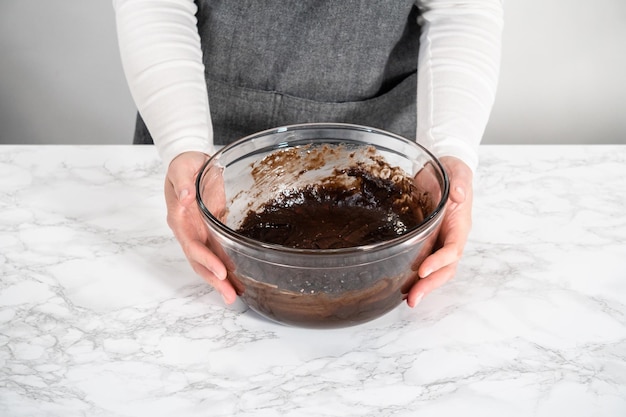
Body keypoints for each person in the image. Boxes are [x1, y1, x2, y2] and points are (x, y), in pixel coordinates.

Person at [113, 0, 503, 308]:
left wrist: (448, 151)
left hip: (388, 138)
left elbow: (461, 9)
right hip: (200, 127)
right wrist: (182, 142)